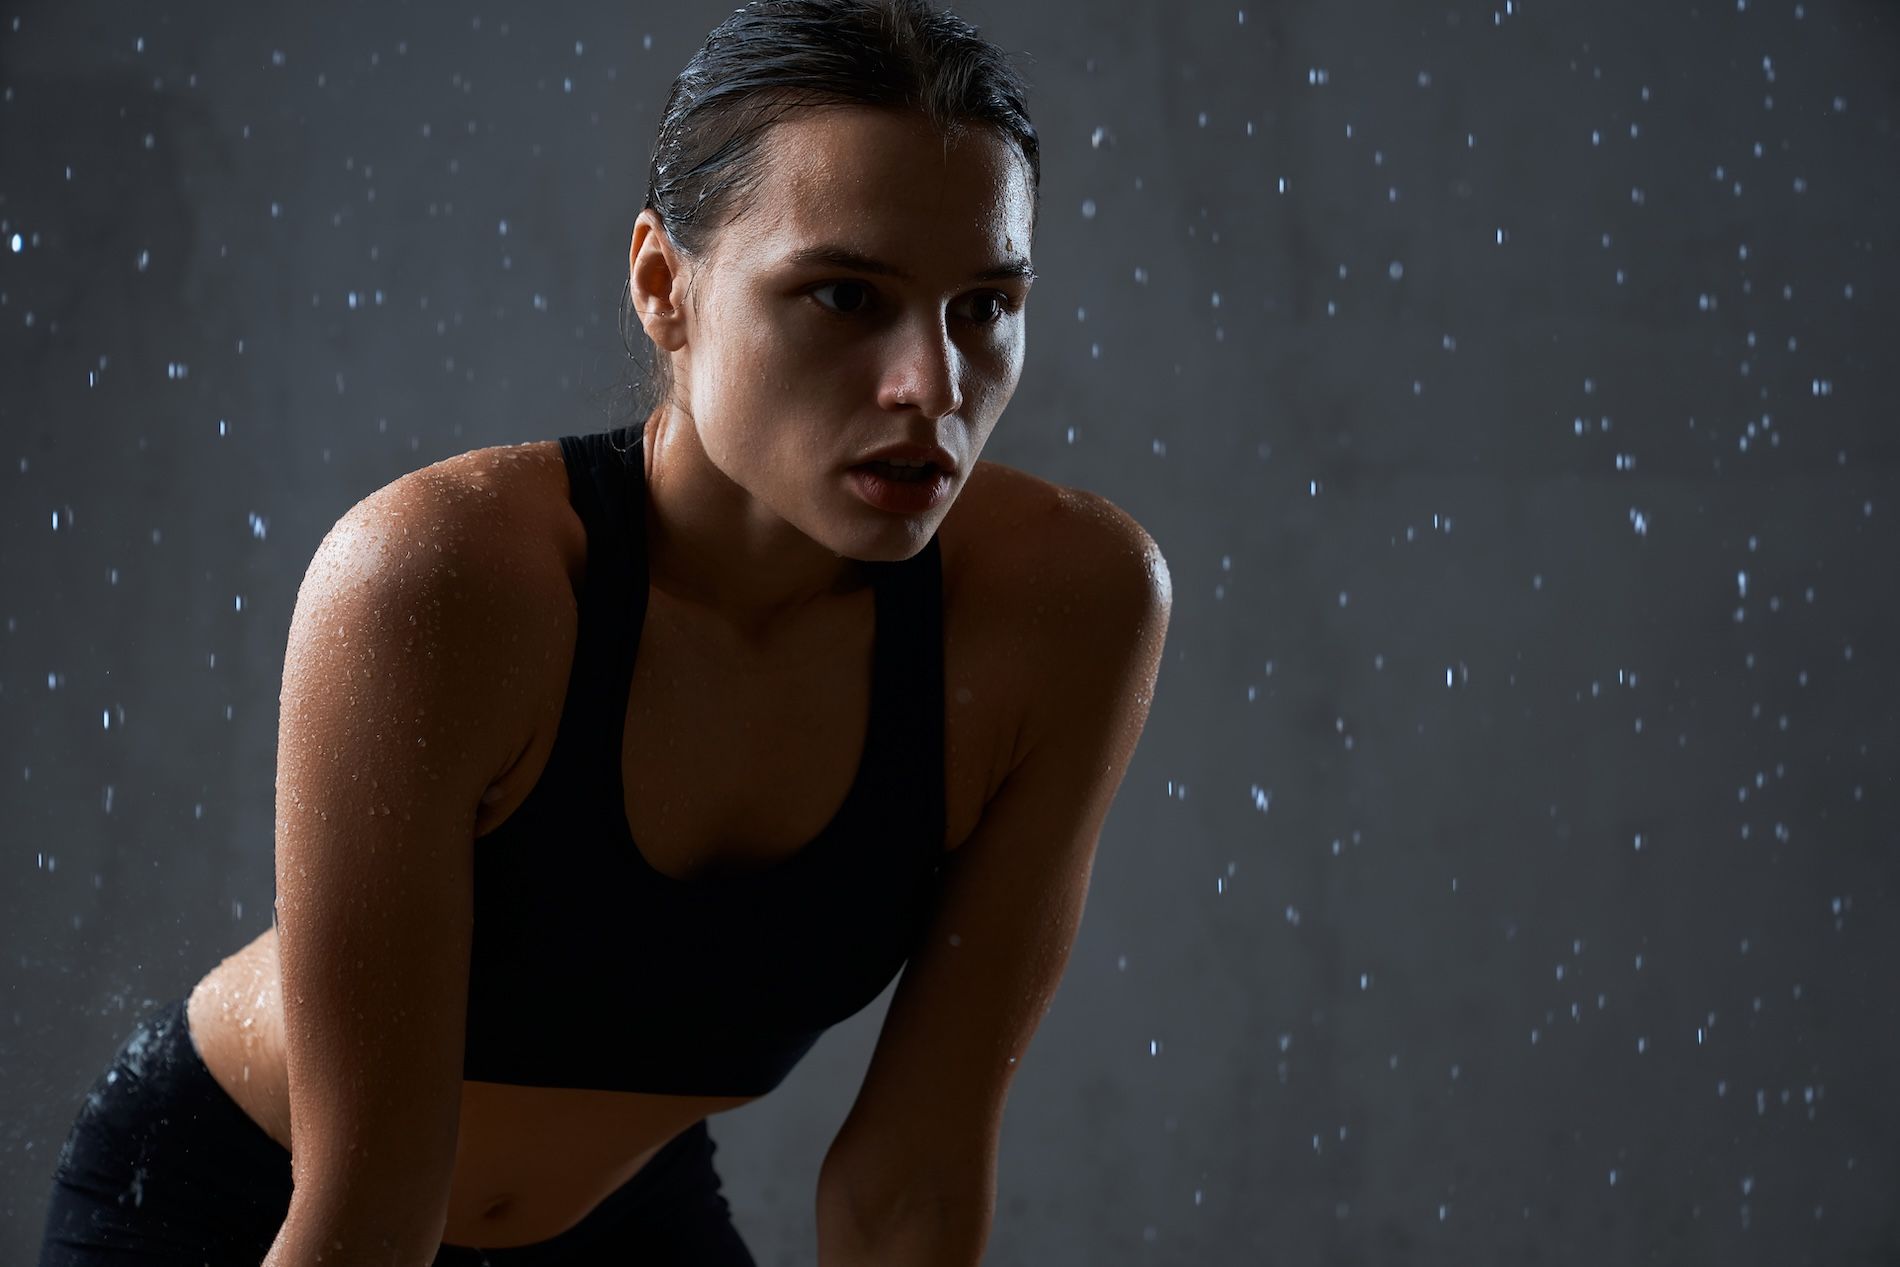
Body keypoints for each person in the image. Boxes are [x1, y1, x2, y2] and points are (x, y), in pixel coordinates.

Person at [36, 0, 1171, 1263]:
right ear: (661, 285)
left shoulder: (1067, 607)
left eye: (983, 305)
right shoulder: (444, 581)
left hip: (620, 1221)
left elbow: (906, 1180)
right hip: (237, 1202)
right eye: (846, 295)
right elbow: (368, 1214)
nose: (932, 386)